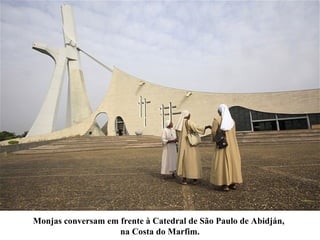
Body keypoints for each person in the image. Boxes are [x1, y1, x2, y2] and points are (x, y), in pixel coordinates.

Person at [210, 104, 243, 191]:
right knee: (233, 162)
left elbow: (213, 132)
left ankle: (224, 183)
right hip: (232, 146)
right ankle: (233, 183)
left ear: (220, 111)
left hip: (222, 145)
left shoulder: (217, 120)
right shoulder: (232, 121)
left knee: (222, 163)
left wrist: (214, 139)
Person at [174, 110, 211, 185]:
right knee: (193, 161)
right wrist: (206, 127)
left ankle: (184, 179)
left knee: (184, 161)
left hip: (182, 146)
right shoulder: (188, 122)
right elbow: (196, 127)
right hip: (190, 145)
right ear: (187, 115)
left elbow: (178, 137)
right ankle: (194, 178)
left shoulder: (178, 125)